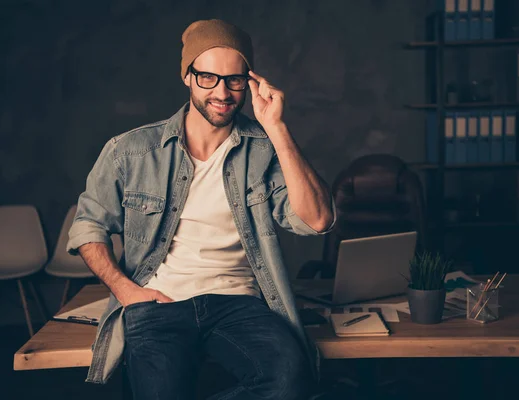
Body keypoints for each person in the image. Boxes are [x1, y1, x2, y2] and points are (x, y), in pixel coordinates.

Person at [67, 19, 336, 400]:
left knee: (291, 381)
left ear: (249, 82)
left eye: (234, 80)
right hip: (157, 304)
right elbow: (87, 227)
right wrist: (125, 291)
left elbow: (318, 220)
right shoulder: (130, 151)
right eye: (208, 78)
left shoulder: (265, 149)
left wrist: (276, 128)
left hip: (240, 303)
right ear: (188, 77)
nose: (222, 92)